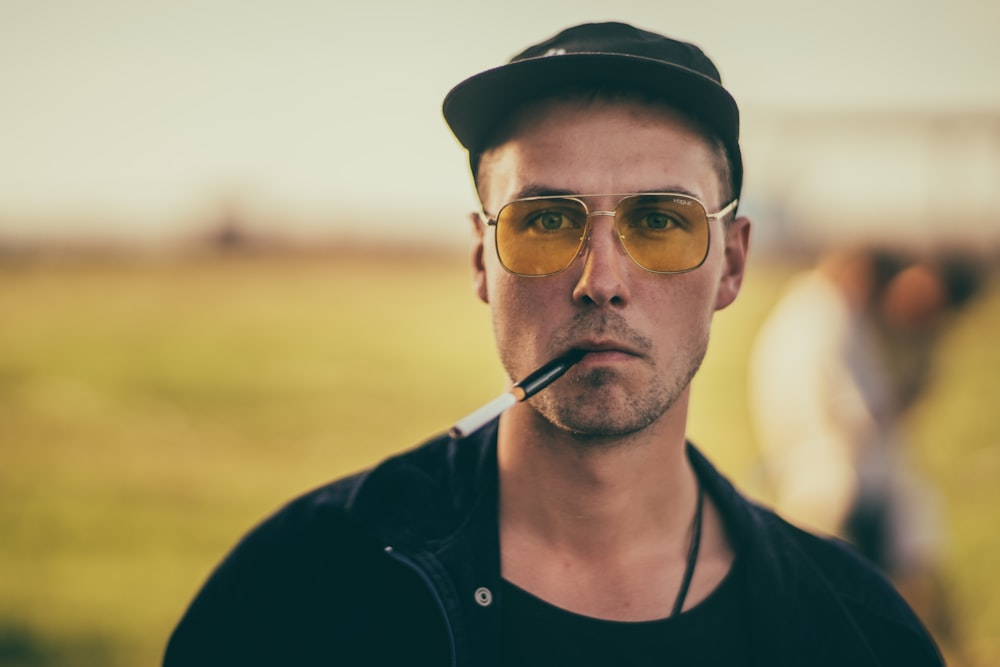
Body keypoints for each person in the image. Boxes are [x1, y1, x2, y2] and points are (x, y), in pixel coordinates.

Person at [164, 22, 943, 666]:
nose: (600, 280)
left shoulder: (859, 634)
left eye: (660, 221)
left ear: (731, 264)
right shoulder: (300, 593)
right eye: (544, 221)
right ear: (481, 260)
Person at [748, 246, 981, 656]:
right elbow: (854, 414)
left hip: (836, 476)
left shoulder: (822, 314)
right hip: (834, 480)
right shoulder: (825, 318)